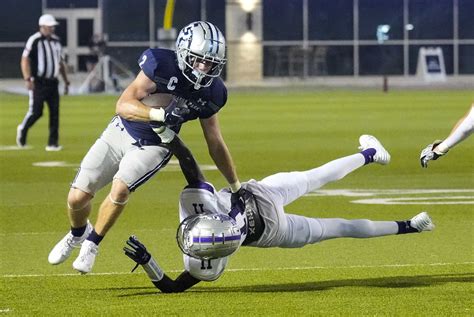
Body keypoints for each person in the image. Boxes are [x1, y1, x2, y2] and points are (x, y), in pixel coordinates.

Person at [123, 132, 435, 293]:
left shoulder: (206, 261)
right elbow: (190, 164)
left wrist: (150, 263)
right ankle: (370, 154)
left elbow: (173, 287)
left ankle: (411, 225)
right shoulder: (203, 211)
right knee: (316, 176)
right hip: (259, 196)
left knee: (339, 227)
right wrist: (167, 133)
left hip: (273, 232)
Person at [48, 21, 243, 274]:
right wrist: (160, 114)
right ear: (184, 52)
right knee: (77, 198)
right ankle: (77, 233)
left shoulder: (213, 92)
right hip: (120, 131)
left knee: (120, 190)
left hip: (154, 145)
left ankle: (92, 243)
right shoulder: (161, 64)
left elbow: (215, 142)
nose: (204, 68)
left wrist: (236, 186)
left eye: (211, 63)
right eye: (198, 60)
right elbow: (123, 104)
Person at [17, 14, 70, 151]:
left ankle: (52, 143)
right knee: (36, 112)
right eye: (49, 27)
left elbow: (60, 62)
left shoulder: (57, 42)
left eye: (53, 27)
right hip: (38, 82)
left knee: (54, 112)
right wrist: (27, 78)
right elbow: (25, 60)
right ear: (42, 27)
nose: (52, 29)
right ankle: (23, 129)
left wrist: (66, 80)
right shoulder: (34, 40)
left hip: (53, 82)